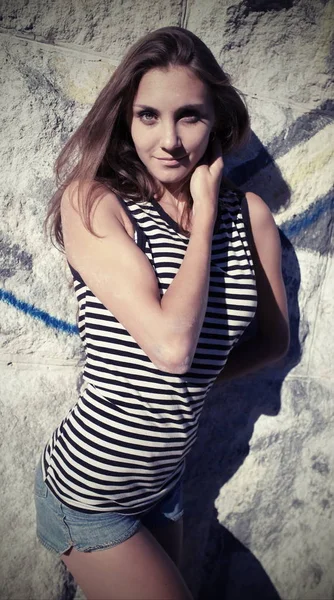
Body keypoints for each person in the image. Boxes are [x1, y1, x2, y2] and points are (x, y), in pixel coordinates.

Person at [35, 25, 290, 600]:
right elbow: (171, 347)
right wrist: (201, 222)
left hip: (162, 485)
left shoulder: (249, 217)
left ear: (217, 121)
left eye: (189, 117)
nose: (169, 139)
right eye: (149, 115)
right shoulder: (95, 201)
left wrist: (194, 383)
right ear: (126, 117)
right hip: (90, 492)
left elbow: (272, 341)